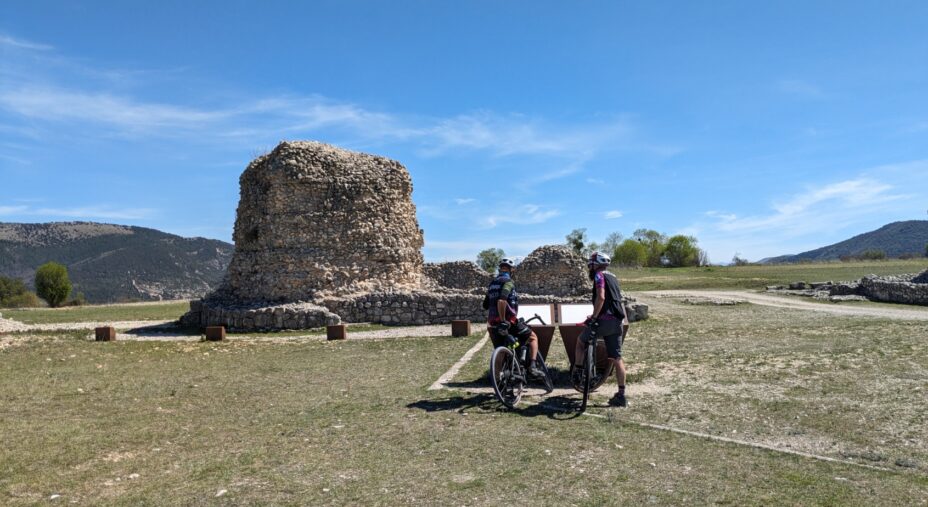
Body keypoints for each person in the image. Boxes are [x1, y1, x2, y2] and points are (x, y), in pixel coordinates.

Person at [572, 251, 630, 407]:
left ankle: (578, 372)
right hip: (618, 321)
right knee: (617, 358)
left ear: (595, 264)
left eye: (590, 265)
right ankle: (621, 394)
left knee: (580, 342)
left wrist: (594, 317)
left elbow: (602, 297)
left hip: (603, 320)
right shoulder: (614, 277)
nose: (589, 267)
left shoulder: (599, 275)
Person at [483, 258, 546, 380]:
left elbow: (485, 305)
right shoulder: (508, 282)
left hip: (492, 323)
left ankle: (497, 380)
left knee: (500, 350)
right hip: (507, 322)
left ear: (500, 269)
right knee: (532, 337)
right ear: (511, 270)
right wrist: (503, 320)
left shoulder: (492, 284)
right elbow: (502, 300)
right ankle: (532, 366)